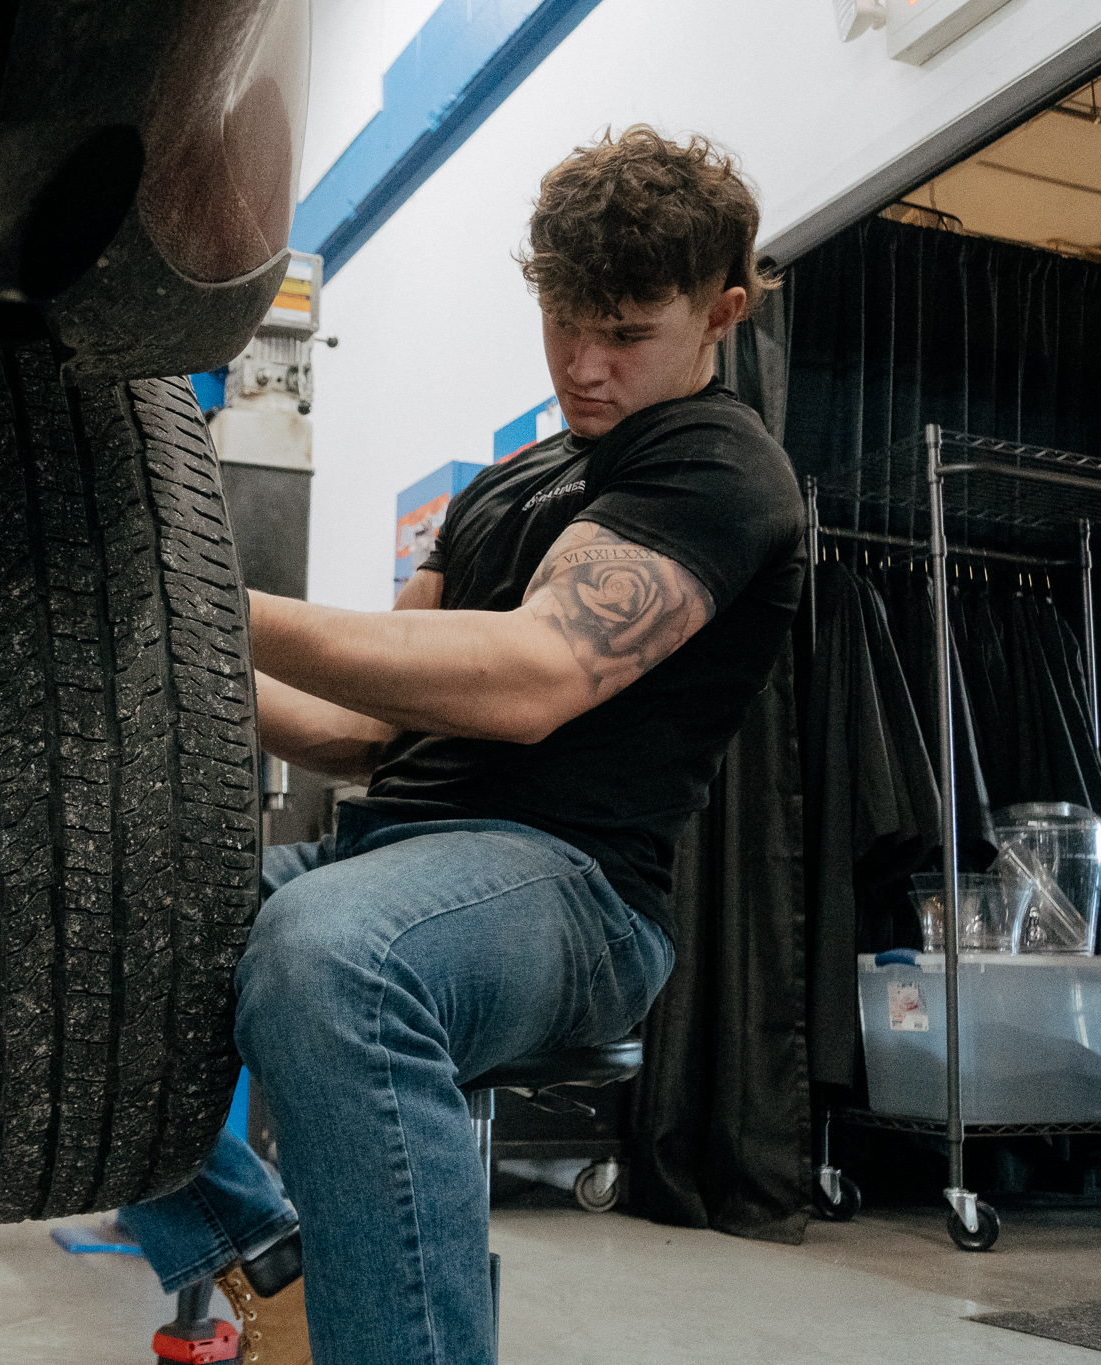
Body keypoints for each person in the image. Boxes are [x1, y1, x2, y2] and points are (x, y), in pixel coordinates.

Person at [116, 124, 807, 1365]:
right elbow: (362, 731)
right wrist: (160, 659)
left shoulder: (719, 465)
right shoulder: (502, 487)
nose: (583, 368)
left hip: (573, 890)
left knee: (331, 954)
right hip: (386, 852)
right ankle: (266, 1260)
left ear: (722, 312)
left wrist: (210, 602)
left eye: (625, 334)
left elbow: (535, 676)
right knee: (85, 934)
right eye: (562, 324)